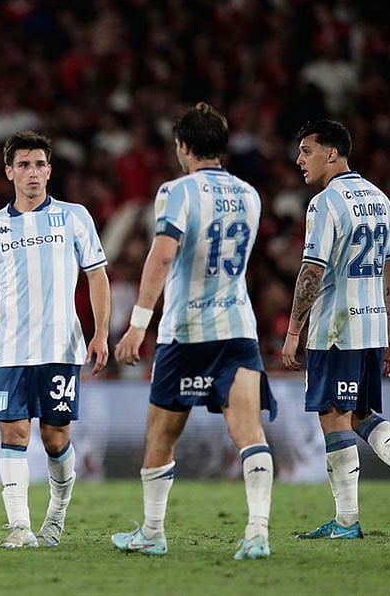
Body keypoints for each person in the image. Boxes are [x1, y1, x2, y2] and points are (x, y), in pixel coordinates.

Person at [110, 102, 276, 560]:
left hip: (185, 331)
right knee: (249, 432)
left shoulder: (176, 191)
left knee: (161, 437)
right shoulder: (250, 195)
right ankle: (257, 532)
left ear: (183, 146)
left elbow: (163, 255)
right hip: (237, 328)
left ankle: (152, 532)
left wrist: (137, 325)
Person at [0, 130, 110, 548]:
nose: (32, 172)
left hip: (61, 347)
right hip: (12, 349)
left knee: (55, 438)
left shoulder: (74, 217)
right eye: (23, 165)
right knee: (13, 434)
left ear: (49, 171)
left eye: (39, 164)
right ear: (9, 172)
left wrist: (101, 332)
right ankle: (20, 526)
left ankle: (56, 516)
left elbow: (97, 276)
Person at [282, 119, 390, 540]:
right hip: (371, 326)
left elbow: (311, 271)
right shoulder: (380, 198)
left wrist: (294, 330)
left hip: (337, 328)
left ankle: (346, 521)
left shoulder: (324, 203)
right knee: (360, 414)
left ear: (332, 153)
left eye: (307, 151)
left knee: (334, 416)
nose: (300, 160)